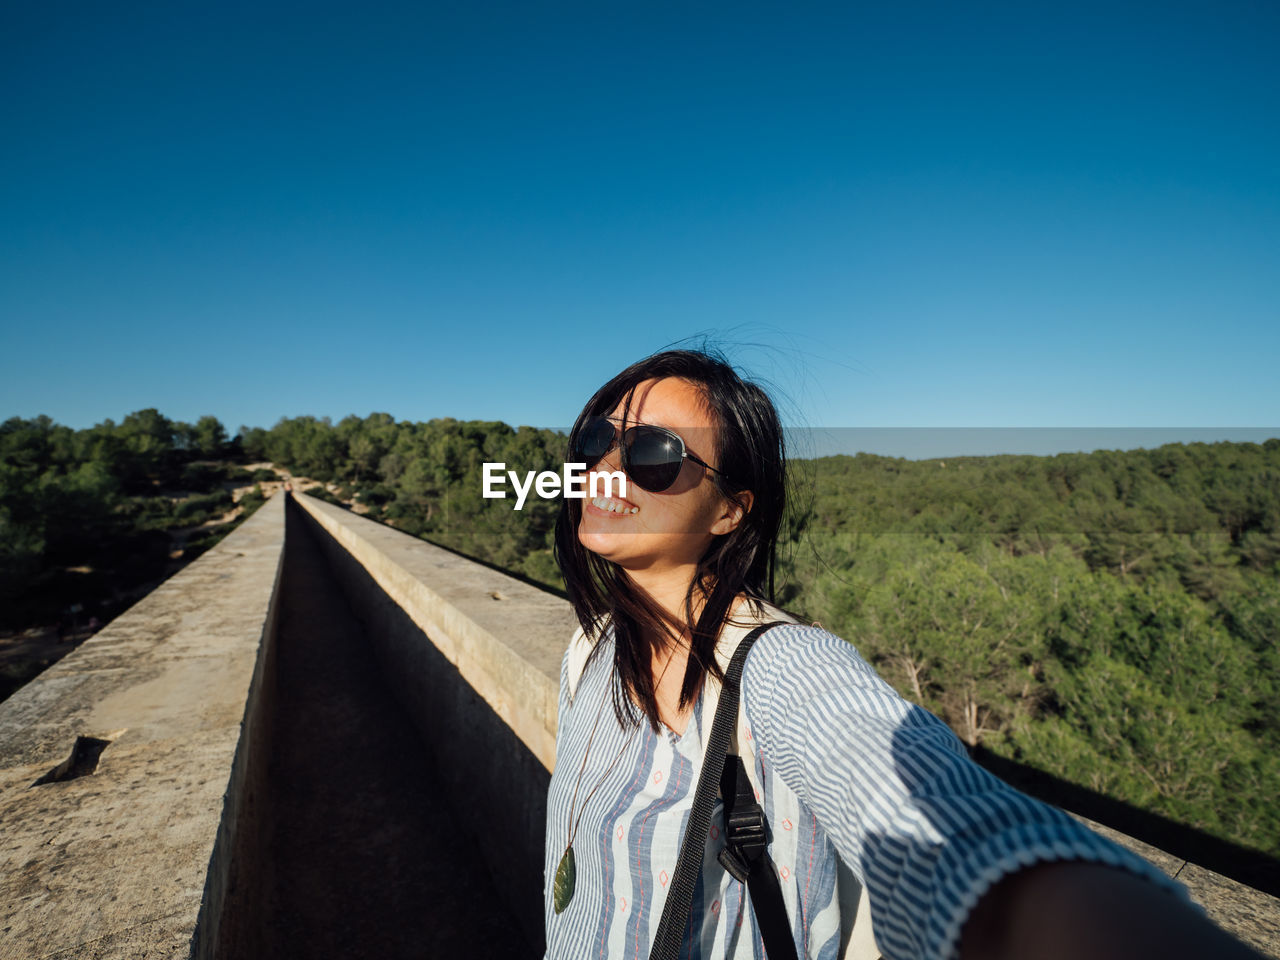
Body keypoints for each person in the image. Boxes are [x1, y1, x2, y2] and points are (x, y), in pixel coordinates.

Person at [543, 348, 1263, 960]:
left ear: (731, 509)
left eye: (653, 454)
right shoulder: (592, 648)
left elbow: (934, 818)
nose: (608, 468)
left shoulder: (781, 665)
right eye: (597, 442)